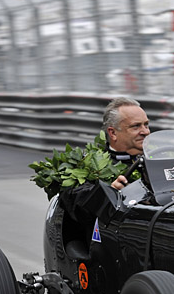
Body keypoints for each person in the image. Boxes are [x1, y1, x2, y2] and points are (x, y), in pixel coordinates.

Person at [58, 96, 149, 224]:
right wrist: (108, 194)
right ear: (113, 133)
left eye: (146, 124)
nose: (145, 131)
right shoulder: (85, 166)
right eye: (136, 126)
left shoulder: (160, 160)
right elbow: (74, 203)